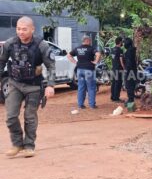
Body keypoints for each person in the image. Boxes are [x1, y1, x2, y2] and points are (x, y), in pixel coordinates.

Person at [0, 16, 55, 158]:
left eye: (24, 29)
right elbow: (1, 62)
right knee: (11, 117)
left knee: (30, 117)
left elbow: (51, 66)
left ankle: (29, 145)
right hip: (15, 84)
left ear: (32, 29)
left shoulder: (41, 45)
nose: (21, 32)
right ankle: (17, 144)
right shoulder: (10, 44)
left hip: (34, 86)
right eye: (18, 29)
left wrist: (50, 85)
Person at [67, 35, 101, 109]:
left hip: (80, 70)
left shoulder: (77, 48)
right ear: (87, 40)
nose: (91, 42)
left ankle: (80, 105)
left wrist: (75, 62)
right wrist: (95, 62)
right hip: (89, 70)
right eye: (90, 41)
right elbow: (98, 54)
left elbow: (69, 55)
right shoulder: (91, 48)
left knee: (81, 87)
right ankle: (92, 105)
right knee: (91, 88)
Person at [110, 36, 125, 102]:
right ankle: (116, 98)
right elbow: (121, 60)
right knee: (118, 83)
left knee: (114, 83)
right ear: (120, 42)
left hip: (113, 68)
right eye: (122, 41)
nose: (122, 43)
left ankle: (113, 97)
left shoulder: (113, 49)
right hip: (119, 69)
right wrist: (124, 68)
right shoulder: (120, 50)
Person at [123, 37, 137, 104]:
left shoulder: (128, 52)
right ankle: (131, 98)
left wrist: (126, 70)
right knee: (132, 85)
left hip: (129, 70)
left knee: (129, 85)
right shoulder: (133, 50)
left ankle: (130, 99)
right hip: (134, 70)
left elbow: (129, 63)